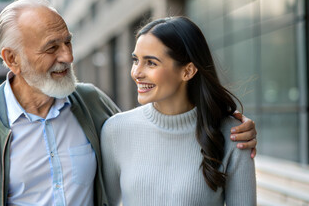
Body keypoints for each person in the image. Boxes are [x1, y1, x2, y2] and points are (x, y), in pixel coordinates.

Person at [0, 0, 256, 206]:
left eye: (68, 42)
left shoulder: (93, 106)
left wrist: (227, 124)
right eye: (52, 48)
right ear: (12, 59)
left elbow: (157, 139)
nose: (67, 56)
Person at [101, 16, 257, 205]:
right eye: (136, 60)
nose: (136, 73)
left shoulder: (234, 135)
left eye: (151, 62)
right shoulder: (115, 130)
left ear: (188, 71)